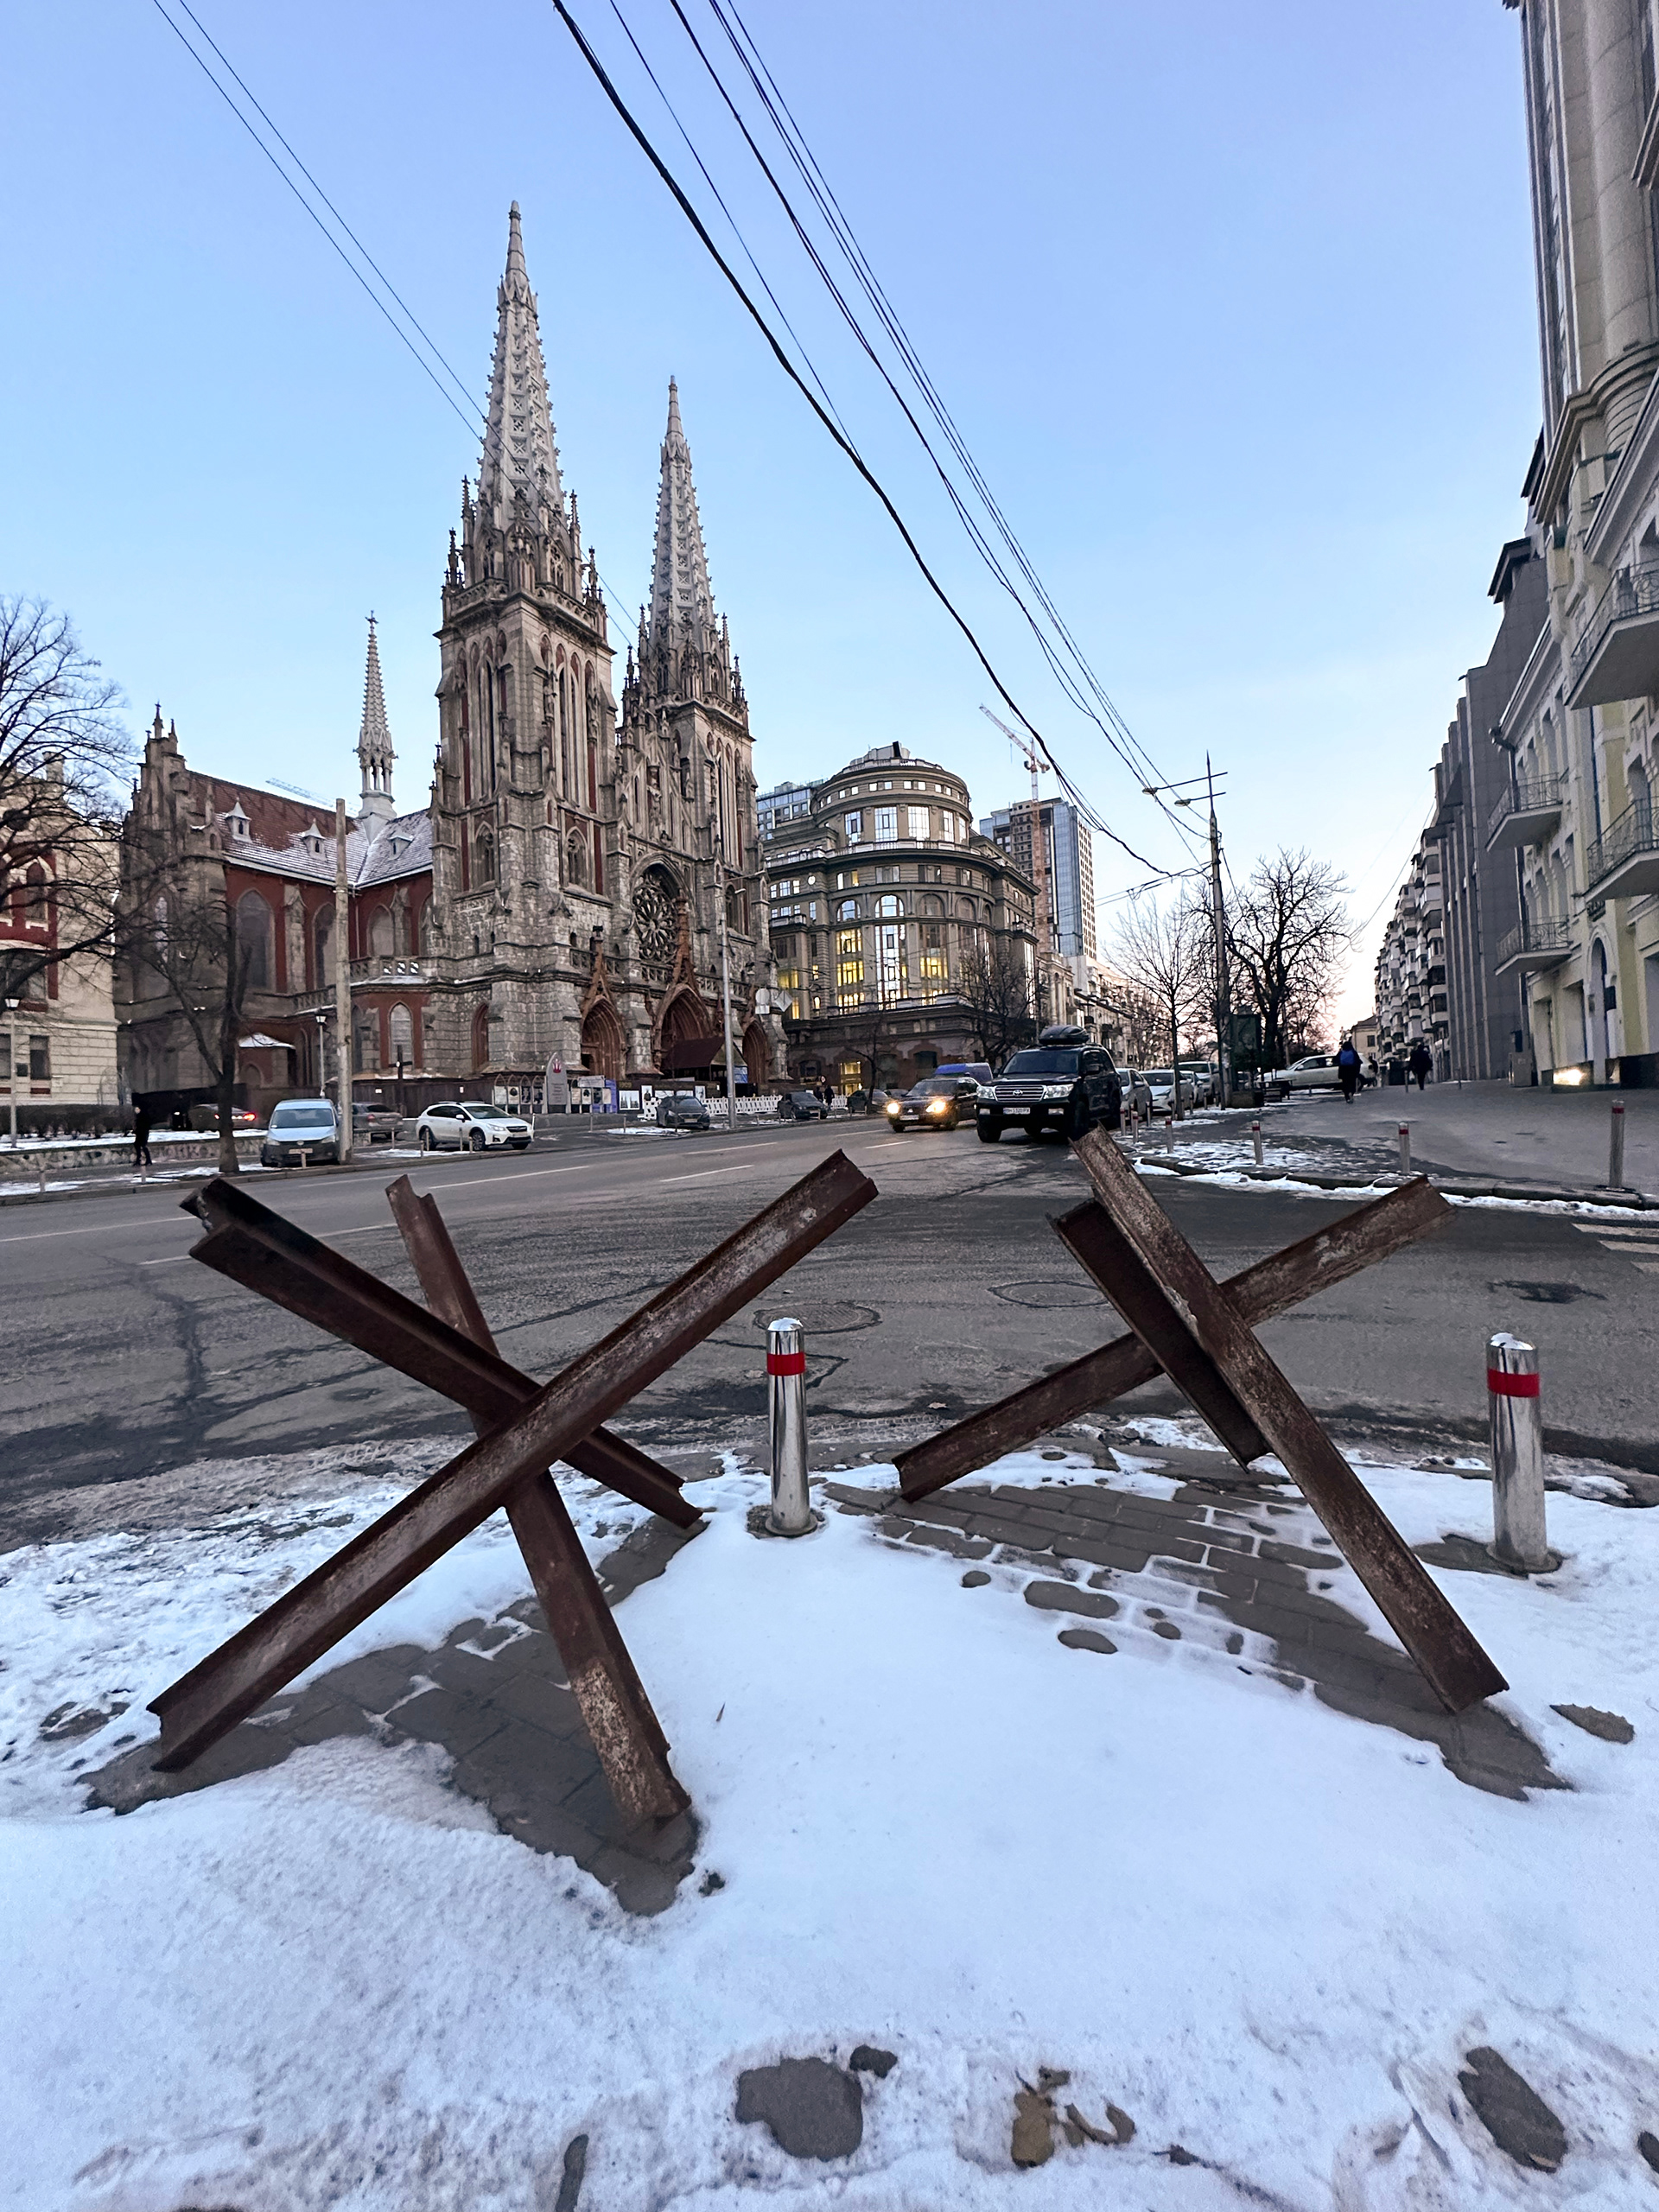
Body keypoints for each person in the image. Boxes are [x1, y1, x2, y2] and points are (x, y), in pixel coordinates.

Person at [1336, 1036, 1361, 1104]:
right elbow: (1358, 1061)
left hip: (1344, 1070)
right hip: (1352, 1070)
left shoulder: (1341, 1053)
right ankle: (1351, 1093)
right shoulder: (1353, 1052)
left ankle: (1347, 1097)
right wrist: (1357, 1071)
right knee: (1352, 1083)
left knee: (1345, 1084)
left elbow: (1335, 1060)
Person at [131, 1100, 154, 1173]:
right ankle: (141, 1159)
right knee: (138, 1145)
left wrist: (137, 1130)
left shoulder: (143, 1115)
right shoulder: (141, 1115)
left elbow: (143, 1125)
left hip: (143, 1133)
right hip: (141, 1133)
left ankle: (146, 1160)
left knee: (142, 1145)